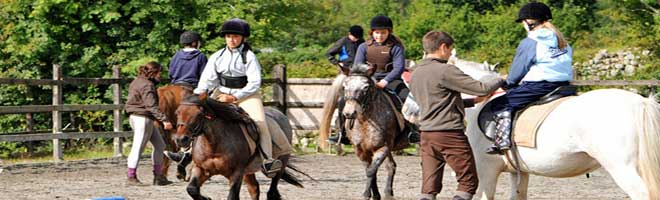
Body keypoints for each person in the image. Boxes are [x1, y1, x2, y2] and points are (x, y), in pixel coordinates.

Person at [193, 18, 293, 177]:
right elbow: (207, 79)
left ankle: (267, 159)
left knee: (260, 123)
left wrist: (234, 97)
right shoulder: (217, 56)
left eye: (235, 37)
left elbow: (254, 83)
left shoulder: (250, 57)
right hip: (221, 92)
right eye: (228, 37)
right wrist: (199, 94)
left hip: (247, 94)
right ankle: (186, 153)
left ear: (243, 38)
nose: (231, 40)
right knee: (197, 115)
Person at [410, 31, 504, 200]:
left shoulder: (416, 73)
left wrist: (472, 101)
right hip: (449, 134)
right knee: (468, 182)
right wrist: (501, 78)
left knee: (429, 188)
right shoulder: (445, 70)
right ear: (443, 47)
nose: (450, 54)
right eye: (450, 49)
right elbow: (482, 87)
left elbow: (435, 101)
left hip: (426, 135)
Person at [486, 2, 573, 155]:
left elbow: (518, 70)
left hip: (539, 86)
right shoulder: (562, 41)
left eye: (523, 22)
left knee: (500, 103)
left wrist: (509, 83)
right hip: (564, 86)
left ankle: (502, 141)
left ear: (529, 22)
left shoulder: (531, 41)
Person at [332, 15, 420, 144]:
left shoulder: (396, 47)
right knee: (342, 101)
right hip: (367, 79)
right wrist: (369, 80)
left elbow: (399, 68)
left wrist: (385, 81)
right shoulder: (363, 47)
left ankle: (412, 131)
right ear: (372, 32)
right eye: (377, 33)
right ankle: (342, 133)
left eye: (383, 33)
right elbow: (357, 66)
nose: (379, 36)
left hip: (391, 79)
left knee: (406, 97)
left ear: (389, 32)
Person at [124, 61, 174, 186]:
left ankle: (158, 176)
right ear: (154, 72)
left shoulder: (137, 81)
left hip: (141, 117)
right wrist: (164, 120)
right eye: (159, 73)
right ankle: (131, 177)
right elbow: (151, 106)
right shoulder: (147, 85)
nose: (160, 76)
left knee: (160, 145)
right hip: (142, 118)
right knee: (138, 147)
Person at [325, 25, 364, 145]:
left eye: (358, 38)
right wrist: (338, 63)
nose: (356, 40)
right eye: (354, 37)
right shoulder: (343, 41)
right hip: (345, 73)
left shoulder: (362, 42)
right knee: (343, 101)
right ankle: (341, 132)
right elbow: (329, 54)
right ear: (349, 34)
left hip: (359, 74)